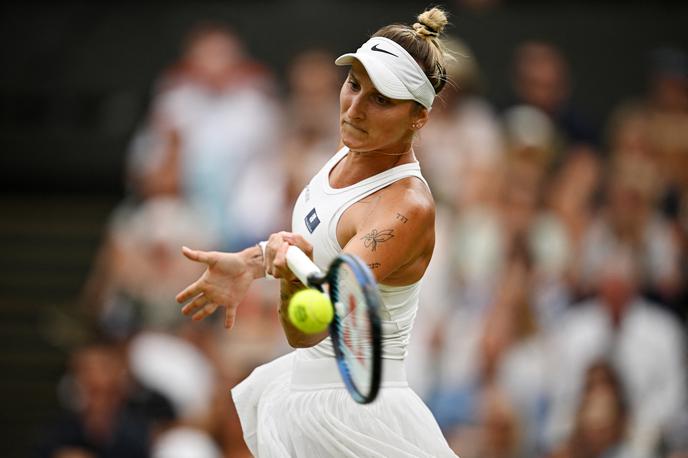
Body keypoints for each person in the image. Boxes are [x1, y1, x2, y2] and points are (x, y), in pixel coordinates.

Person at [175, 7, 458, 457]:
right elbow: (319, 248)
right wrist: (253, 262)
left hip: (355, 420)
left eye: (381, 99)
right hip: (304, 393)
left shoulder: (405, 208)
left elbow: (307, 329)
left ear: (418, 117)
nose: (355, 107)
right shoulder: (353, 148)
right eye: (354, 84)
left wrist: (286, 274)